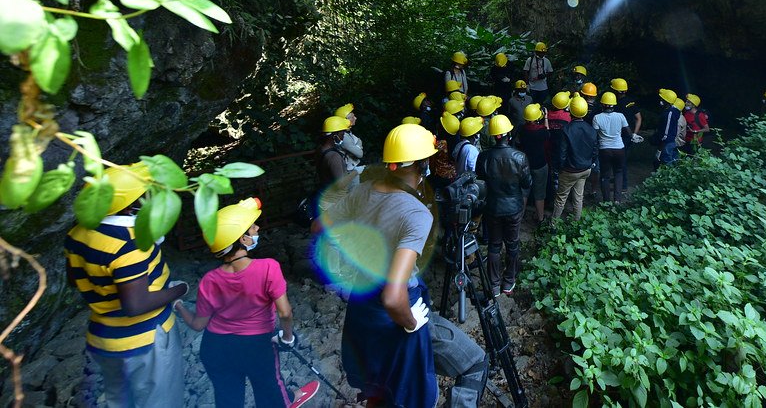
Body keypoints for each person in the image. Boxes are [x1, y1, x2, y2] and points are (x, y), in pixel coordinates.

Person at [330, 124, 488, 407]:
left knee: (381, 392)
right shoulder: (416, 214)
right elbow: (393, 297)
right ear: (422, 164)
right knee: (421, 390)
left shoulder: (363, 191)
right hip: (400, 312)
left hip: (362, 307)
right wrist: (411, 322)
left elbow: (320, 226)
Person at [175, 198, 319, 408]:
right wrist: (287, 338)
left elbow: (198, 324)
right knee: (270, 392)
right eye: (252, 227)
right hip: (256, 345)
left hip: (216, 348)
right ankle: (287, 400)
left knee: (228, 401)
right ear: (242, 239)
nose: (257, 228)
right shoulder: (268, 268)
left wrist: (178, 306)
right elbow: (285, 313)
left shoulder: (209, 280)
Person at [64, 163, 187, 408]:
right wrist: (178, 290)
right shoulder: (130, 245)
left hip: (104, 338)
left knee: (120, 401)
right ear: (130, 206)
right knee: (160, 401)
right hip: (145, 339)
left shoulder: (77, 233)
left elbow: (73, 279)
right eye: (145, 194)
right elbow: (135, 305)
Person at [477, 115, 531, 296]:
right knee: (512, 244)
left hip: (492, 207)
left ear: (494, 136)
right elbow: (526, 183)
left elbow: (480, 182)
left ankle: (494, 285)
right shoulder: (519, 157)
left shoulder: (483, 157)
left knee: (494, 244)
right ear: (509, 134)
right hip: (513, 207)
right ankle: (508, 281)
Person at [551, 96, 598, 222]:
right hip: (585, 169)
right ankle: (576, 223)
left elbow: (562, 153)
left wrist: (560, 168)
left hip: (569, 170)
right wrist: (590, 163)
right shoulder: (591, 130)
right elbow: (595, 151)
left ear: (570, 111)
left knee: (561, 198)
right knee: (578, 197)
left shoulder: (566, 130)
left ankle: (553, 225)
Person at [592, 92, 630, 203]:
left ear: (602, 104)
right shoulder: (620, 116)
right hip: (619, 149)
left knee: (605, 175)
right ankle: (617, 200)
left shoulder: (597, 118)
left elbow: (594, 136)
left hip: (605, 150)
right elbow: (628, 132)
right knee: (618, 173)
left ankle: (606, 202)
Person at [518, 103, 550, 222]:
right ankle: (540, 218)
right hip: (540, 165)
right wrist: (545, 118)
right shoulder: (541, 132)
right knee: (539, 193)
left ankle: (519, 217)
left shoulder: (521, 129)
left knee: (524, 192)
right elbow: (548, 133)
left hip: (525, 165)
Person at [610, 78, 642, 190]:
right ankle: (618, 179)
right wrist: (634, 134)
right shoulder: (631, 102)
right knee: (621, 160)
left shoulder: (615, 104)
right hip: (628, 136)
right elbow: (639, 118)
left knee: (620, 161)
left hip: (619, 136)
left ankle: (623, 185)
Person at [546, 91, 572, 202]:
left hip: (550, 147)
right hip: (564, 149)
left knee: (552, 173)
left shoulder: (548, 115)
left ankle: (552, 197)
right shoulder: (567, 117)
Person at [650, 88, 681, 167]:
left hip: (667, 143)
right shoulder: (671, 111)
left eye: (662, 99)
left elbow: (666, 132)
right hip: (670, 142)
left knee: (666, 163)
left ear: (667, 102)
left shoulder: (670, 113)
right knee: (670, 162)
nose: (661, 101)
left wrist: (660, 148)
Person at [335, 103, 365, 172]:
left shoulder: (346, 133)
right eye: (353, 117)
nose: (355, 118)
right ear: (346, 120)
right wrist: (359, 142)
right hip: (348, 169)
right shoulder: (344, 136)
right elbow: (360, 154)